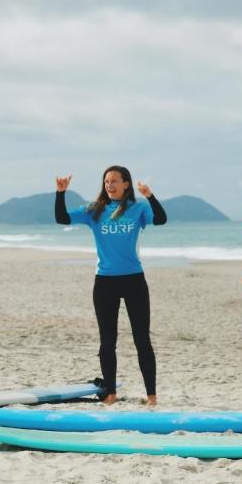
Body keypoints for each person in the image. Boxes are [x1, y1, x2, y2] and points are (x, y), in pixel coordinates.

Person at [54, 166, 167, 405]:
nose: (109, 185)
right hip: (105, 282)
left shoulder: (138, 209)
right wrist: (61, 193)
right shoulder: (95, 210)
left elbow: (161, 219)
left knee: (142, 340)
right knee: (107, 342)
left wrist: (149, 196)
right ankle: (111, 394)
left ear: (126, 184)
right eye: (106, 181)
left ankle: (152, 396)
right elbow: (61, 218)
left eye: (114, 181)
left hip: (134, 280)